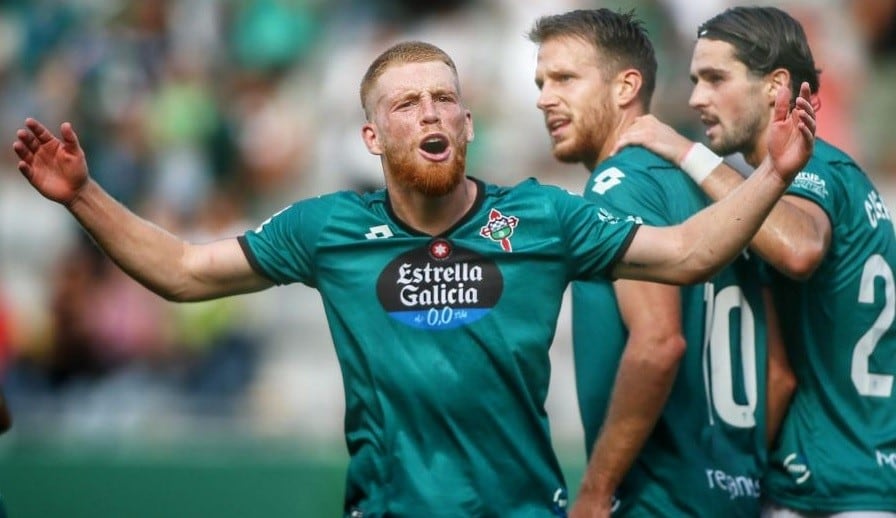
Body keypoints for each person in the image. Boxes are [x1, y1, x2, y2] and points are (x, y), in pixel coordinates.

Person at [13, 40, 815, 517]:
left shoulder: (541, 218)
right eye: (407, 104)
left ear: (466, 123)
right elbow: (185, 273)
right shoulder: (325, 229)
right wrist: (85, 195)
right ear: (371, 133)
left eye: (445, 100)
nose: (431, 114)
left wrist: (770, 177)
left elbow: (685, 254)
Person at [613, 6, 896, 517]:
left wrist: (687, 154)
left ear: (775, 87)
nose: (697, 97)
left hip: (830, 488)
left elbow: (799, 248)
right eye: (695, 79)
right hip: (854, 477)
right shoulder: (834, 171)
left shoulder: (812, 169)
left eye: (716, 78)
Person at [528, 9, 796, 517]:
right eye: (541, 82)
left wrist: (595, 490)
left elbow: (657, 343)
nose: (544, 97)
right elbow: (778, 372)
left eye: (564, 78)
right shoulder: (727, 195)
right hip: (737, 499)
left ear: (625, 86)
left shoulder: (619, 184)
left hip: (658, 501)